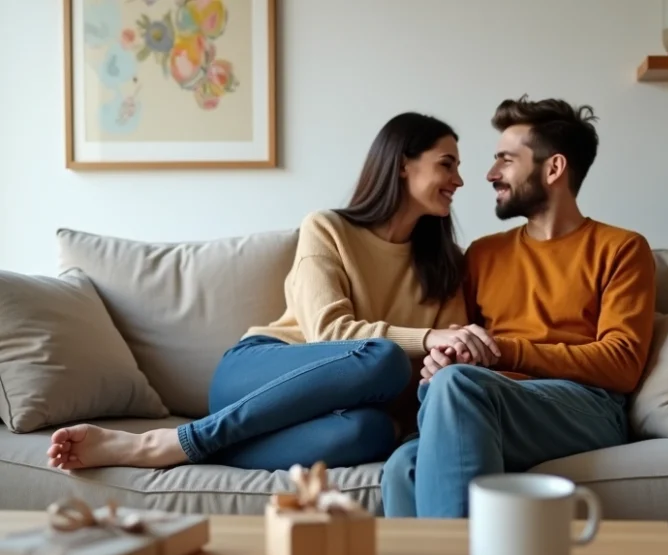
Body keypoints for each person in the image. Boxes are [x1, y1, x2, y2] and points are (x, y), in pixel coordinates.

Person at [46, 112, 499, 472]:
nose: (459, 180)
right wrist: (425, 341)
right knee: (382, 358)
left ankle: (203, 449)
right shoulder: (329, 228)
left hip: (338, 411)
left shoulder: (446, 265)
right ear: (403, 163)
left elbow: (444, 354)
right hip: (258, 374)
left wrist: (442, 363)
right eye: (447, 164)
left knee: (374, 432)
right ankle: (165, 442)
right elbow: (328, 332)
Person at [381, 96, 657, 518]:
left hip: (586, 406)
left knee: (458, 386)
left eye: (505, 161)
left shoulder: (621, 249)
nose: (490, 174)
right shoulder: (482, 254)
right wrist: (444, 361)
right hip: (487, 402)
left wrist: (501, 352)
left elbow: (622, 364)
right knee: (404, 465)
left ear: (553, 169)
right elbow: (465, 345)